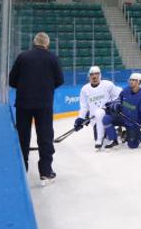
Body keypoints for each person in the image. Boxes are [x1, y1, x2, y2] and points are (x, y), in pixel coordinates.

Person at [9, 32, 64, 182]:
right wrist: (46, 88)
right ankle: (45, 171)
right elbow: (59, 80)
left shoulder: (23, 57)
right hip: (44, 104)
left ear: (34, 42)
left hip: (23, 103)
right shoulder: (53, 58)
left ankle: (22, 168)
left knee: (22, 136)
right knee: (45, 137)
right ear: (47, 43)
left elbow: (12, 80)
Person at [73, 66, 121, 149]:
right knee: (102, 136)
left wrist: (112, 105)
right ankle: (111, 133)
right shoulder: (85, 89)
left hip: (108, 115)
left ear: (100, 75)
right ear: (89, 76)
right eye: (91, 74)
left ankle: (111, 132)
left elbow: (117, 96)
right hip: (94, 118)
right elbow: (84, 106)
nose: (94, 76)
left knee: (101, 117)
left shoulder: (108, 85)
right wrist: (81, 118)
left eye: (96, 74)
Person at [102, 73, 141, 149]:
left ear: (139, 82)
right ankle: (114, 140)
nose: (131, 81)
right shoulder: (126, 90)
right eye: (130, 80)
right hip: (122, 117)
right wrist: (115, 104)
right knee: (106, 119)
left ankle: (140, 135)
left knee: (132, 146)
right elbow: (119, 99)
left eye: (133, 80)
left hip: (133, 122)